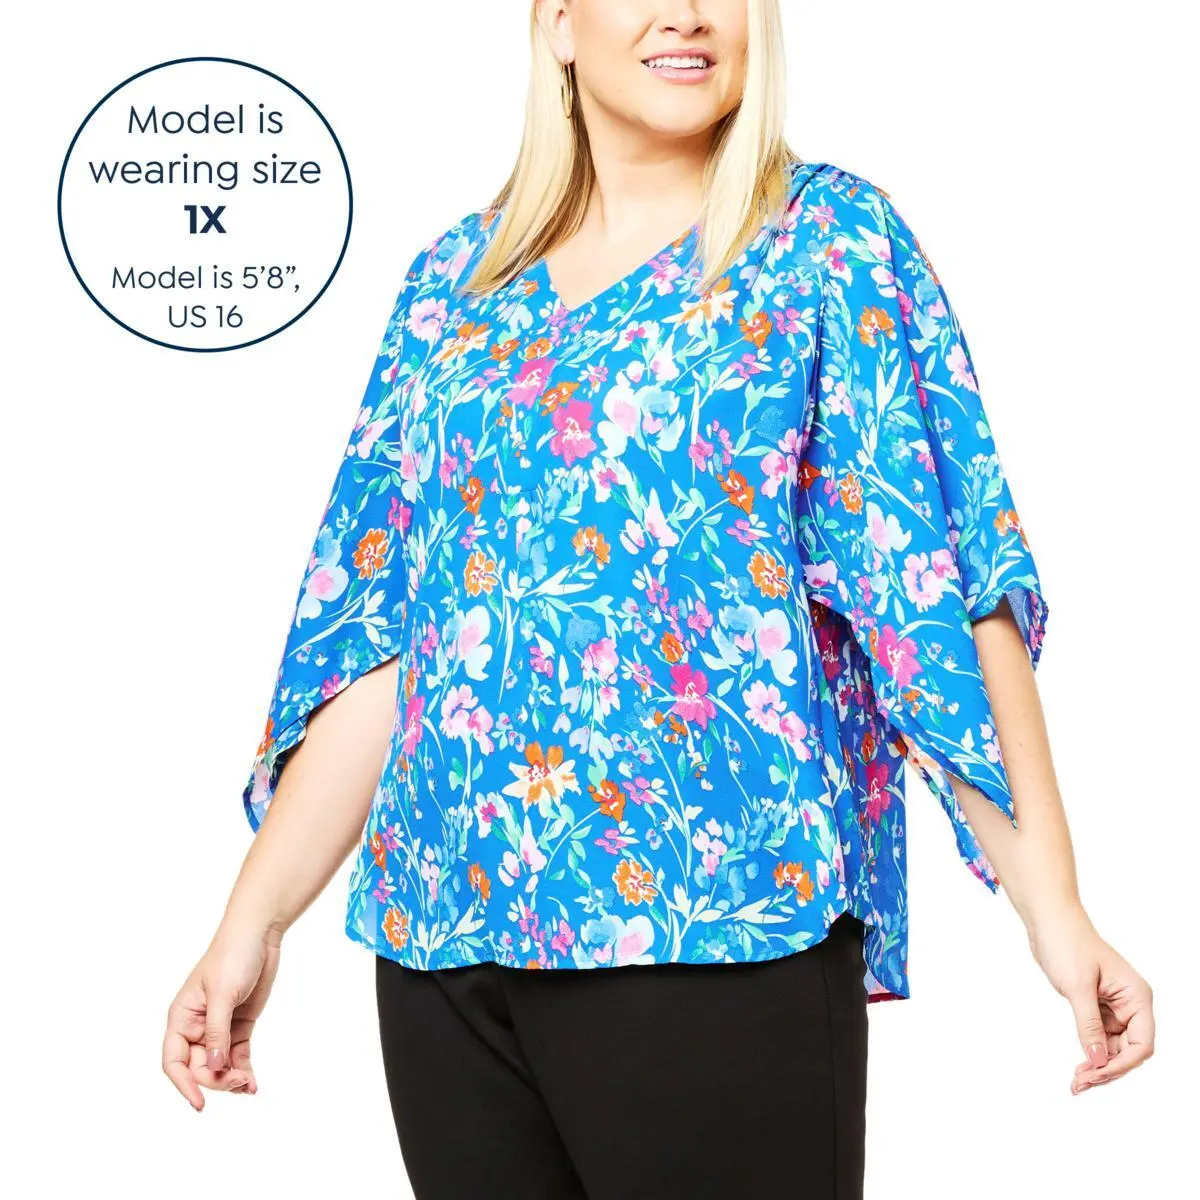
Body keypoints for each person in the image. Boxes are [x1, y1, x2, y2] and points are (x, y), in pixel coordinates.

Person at [162, 2, 1155, 1196]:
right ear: (558, 22)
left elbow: (936, 594)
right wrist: (252, 923)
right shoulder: (454, 286)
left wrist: (1057, 913)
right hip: (443, 961)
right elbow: (391, 640)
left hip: (715, 937)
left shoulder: (826, 244)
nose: (688, 11)